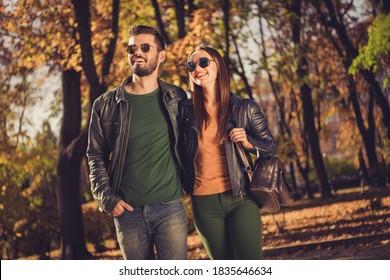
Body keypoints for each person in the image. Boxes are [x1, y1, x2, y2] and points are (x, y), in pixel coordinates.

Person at [86, 25, 188, 260]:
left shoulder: (176, 98)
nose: (137, 52)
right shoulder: (105, 105)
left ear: (161, 55)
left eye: (144, 47)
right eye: (132, 48)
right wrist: (108, 200)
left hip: (169, 208)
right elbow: (95, 155)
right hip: (127, 212)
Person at [179, 46, 277, 259]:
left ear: (218, 66)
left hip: (241, 198)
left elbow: (270, 148)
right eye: (191, 65)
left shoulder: (245, 108)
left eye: (204, 62)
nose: (198, 68)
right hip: (203, 204)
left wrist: (248, 142)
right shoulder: (184, 112)